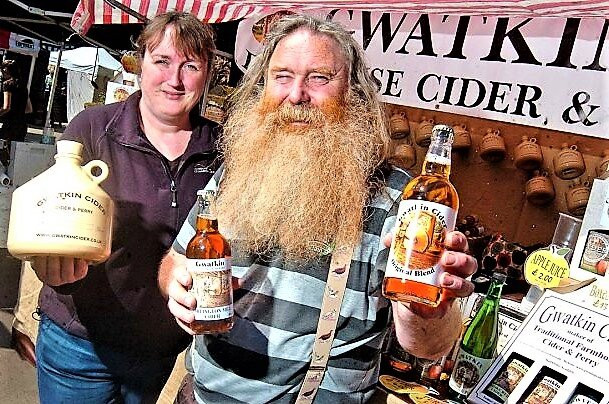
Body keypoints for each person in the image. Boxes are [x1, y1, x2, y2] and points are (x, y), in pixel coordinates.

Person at [159, 14, 477, 403]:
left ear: (353, 93)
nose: (296, 95)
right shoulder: (236, 171)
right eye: (282, 76)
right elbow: (174, 262)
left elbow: (428, 347)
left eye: (319, 78)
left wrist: (425, 310)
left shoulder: (397, 200)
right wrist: (177, 287)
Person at [25, 12, 220, 404]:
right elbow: (47, 213)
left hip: (159, 349)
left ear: (207, 74)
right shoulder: (94, 128)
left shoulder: (220, 148)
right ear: (140, 62)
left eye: (190, 66)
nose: (174, 79)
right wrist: (48, 260)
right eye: (162, 61)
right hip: (81, 344)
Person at [0, 59, 29, 166]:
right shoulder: (23, 86)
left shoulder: (7, 84)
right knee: (15, 155)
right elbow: (29, 108)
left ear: (6, 71)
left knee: (3, 152)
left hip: (10, 124)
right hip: (22, 125)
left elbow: (6, 107)